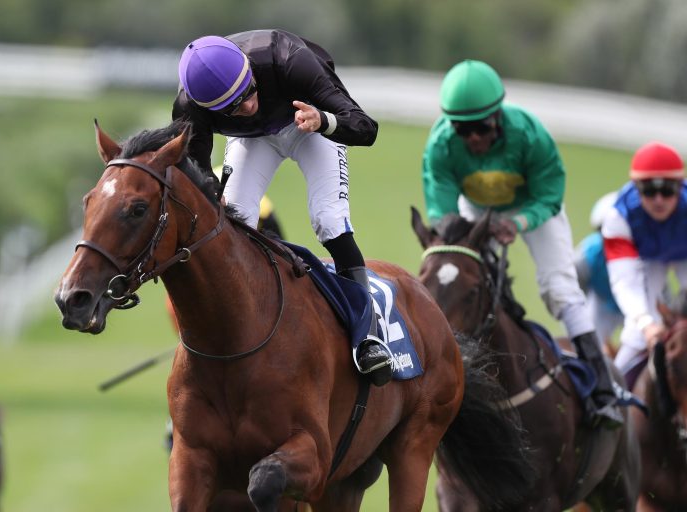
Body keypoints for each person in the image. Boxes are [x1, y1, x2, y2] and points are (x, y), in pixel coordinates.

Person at [172, 30, 392, 386]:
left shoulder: (289, 60)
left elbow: (366, 128)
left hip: (308, 124)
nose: (246, 106)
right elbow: (196, 175)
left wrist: (324, 120)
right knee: (232, 221)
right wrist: (212, 197)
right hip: (251, 140)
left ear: (250, 70)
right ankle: (239, 328)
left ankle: (368, 334)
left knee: (328, 218)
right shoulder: (188, 107)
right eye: (231, 107)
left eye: (248, 92)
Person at [421, 59, 623, 428]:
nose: (473, 138)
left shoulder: (530, 135)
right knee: (459, 276)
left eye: (480, 127)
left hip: (532, 207)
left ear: (497, 115)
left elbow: (550, 194)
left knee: (559, 289)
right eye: (462, 129)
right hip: (475, 208)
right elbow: (443, 211)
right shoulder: (441, 145)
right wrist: (460, 236)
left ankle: (603, 389)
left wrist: (519, 222)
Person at [601, 141, 687, 389]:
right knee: (638, 331)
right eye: (649, 191)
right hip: (647, 260)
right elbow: (625, 281)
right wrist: (646, 323)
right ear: (636, 188)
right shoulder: (619, 216)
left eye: (668, 190)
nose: (659, 200)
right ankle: (612, 395)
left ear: (680, 187)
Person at [574, 191, 624, 353]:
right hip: (602, 303)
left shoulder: (646, 253)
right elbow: (575, 298)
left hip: (637, 305)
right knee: (586, 344)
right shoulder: (585, 257)